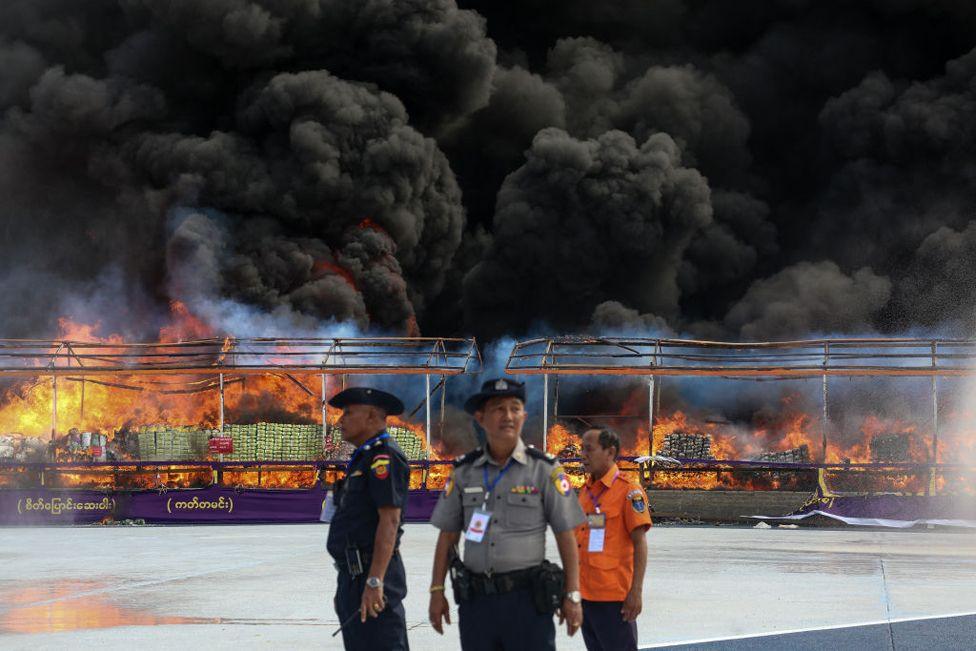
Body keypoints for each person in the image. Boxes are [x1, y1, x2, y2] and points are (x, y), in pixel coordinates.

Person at [428, 378, 586, 650]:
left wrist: (573, 594)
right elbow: (448, 536)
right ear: (481, 417)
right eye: (499, 409)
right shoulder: (464, 471)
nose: (508, 416)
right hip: (476, 603)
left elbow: (566, 535)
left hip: (527, 602)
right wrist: (436, 591)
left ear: (524, 416)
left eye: (515, 408)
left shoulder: (544, 469)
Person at [326, 386, 411, 650]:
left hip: (372, 576)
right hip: (353, 576)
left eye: (348, 413)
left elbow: (390, 522)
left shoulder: (384, 457)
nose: (340, 421)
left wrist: (375, 581)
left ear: (372, 416)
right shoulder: (363, 458)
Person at [575, 427, 651, 651]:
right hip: (586, 596)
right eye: (581, 449)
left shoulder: (629, 492)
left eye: (589, 449)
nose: (582, 455)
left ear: (609, 452)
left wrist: (635, 591)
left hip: (613, 599)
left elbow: (640, 544)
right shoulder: (584, 492)